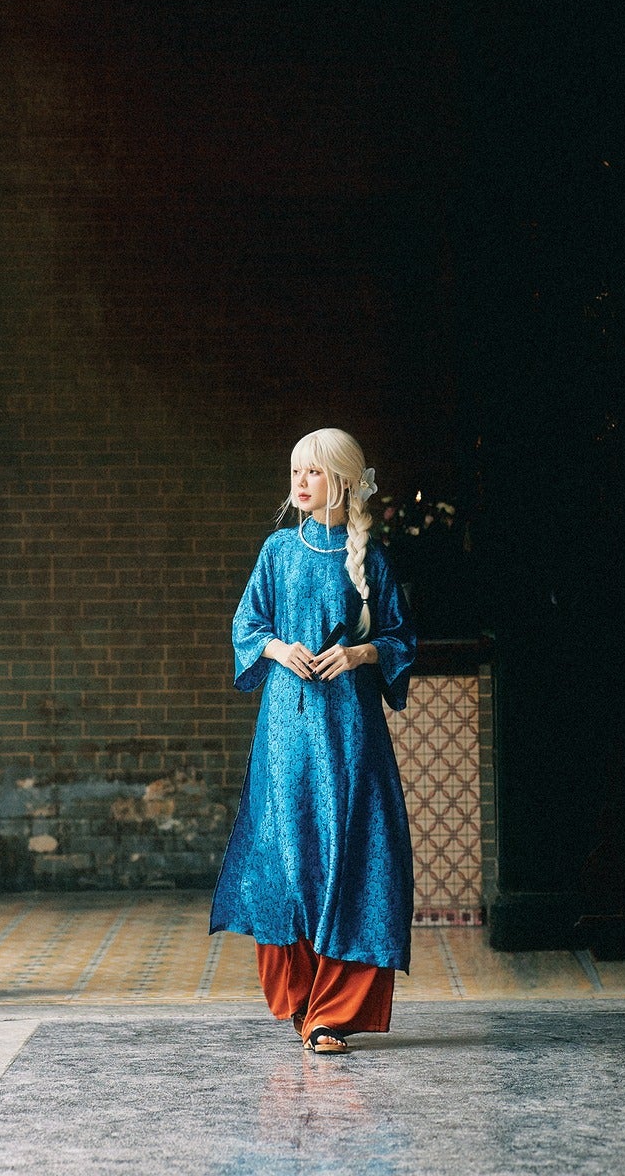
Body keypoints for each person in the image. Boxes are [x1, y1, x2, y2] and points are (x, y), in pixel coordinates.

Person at [210, 426, 416, 1054]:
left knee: (359, 858)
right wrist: (276, 647)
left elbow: (402, 641)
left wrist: (359, 653)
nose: (299, 483)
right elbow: (248, 623)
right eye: (295, 471)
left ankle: (332, 1014)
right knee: (285, 860)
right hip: (285, 735)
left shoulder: (371, 562)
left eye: (314, 472)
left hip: (352, 738)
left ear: (343, 481)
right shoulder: (276, 550)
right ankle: (302, 1001)